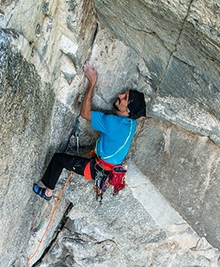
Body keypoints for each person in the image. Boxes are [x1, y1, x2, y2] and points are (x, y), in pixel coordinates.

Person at [33, 62, 146, 201]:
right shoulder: (131, 123)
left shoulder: (113, 124)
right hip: (108, 167)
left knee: (58, 160)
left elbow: (85, 113)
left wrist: (92, 82)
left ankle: (48, 193)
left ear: (128, 110)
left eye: (125, 98)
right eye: (125, 94)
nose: (120, 95)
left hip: (96, 169)